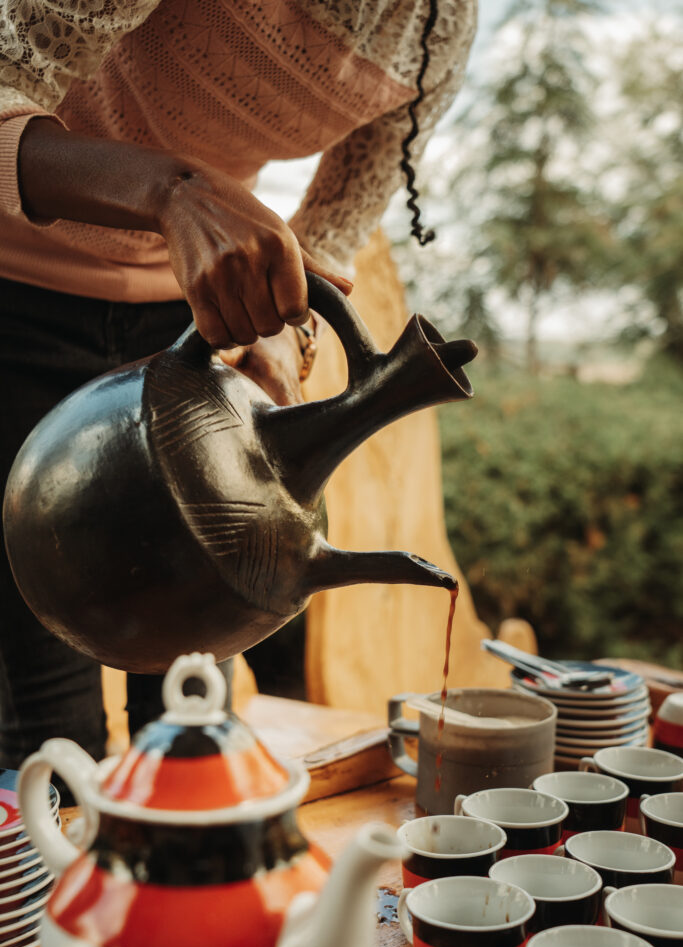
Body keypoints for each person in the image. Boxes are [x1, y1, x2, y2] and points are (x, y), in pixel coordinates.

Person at [0, 0, 477, 770]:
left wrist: (286, 335)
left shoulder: (435, 30)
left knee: (196, 706)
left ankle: (184, 888)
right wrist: (174, 191)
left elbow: (330, 228)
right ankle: (54, 888)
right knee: (48, 720)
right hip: (14, 297)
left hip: (184, 318)